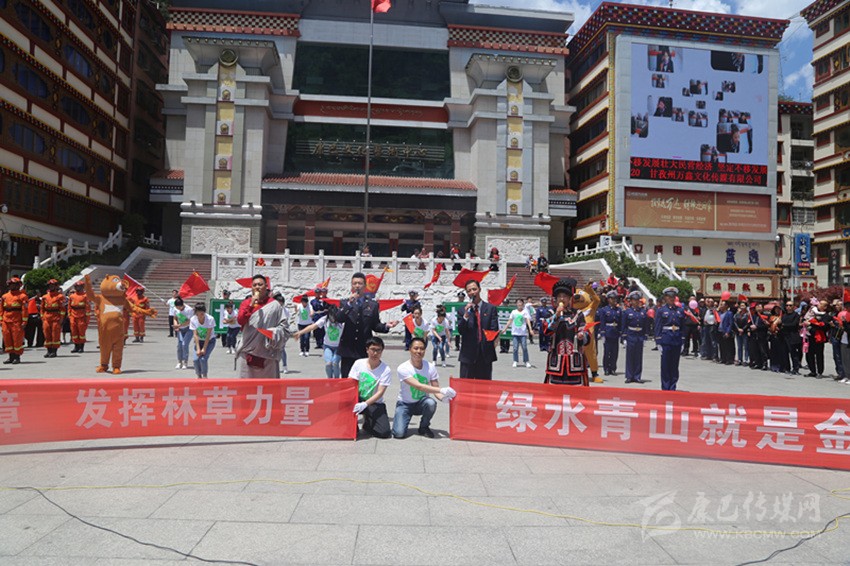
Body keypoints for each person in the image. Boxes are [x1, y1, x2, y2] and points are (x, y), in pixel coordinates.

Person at [392, 336, 456, 439]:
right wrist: (442, 390)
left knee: (431, 403)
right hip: (405, 404)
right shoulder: (403, 368)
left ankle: (424, 427)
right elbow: (419, 386)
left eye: (422, 348)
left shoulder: (430, 367)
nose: (419, 351)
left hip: (421, 402)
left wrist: (443, 398)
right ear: (410, 349)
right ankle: (402, 417)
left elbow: (436, 388)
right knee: (399, 434)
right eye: (416, 348)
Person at [338, 272, 398, 378]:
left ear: (365, 286)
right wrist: (349, 304)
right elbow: (339, 318)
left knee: (364, 378)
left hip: (364, 349)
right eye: (355, 283)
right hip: (348, 349)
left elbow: (375, 325)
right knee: (347, 379)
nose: (357, 286)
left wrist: (386, 326)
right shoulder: (345, 303)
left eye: (360, 283)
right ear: (351, 286)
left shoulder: (372, 305)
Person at [235, 275, 290, 378]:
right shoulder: (246, 303)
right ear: (251, 288)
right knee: (245, 385)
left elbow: (285, 327)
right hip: (248, 350)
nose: (257, 287)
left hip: (268, 351)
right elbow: (240, 320)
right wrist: (251, 305)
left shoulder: (275, 305)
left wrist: (274, 332)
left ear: (266, 286)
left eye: (260, 284)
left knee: (268, 386)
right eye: (254, 285)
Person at [543, 277, 590, 386]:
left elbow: (585, 330)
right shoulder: (550, 313)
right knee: (554, 391)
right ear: (555, 299)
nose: (562, 299)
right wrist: (556, 316)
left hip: (575, 361)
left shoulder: (577, 314)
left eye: (564, 296)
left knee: (576, 391)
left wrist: (582, 335)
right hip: (556, 360)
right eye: (559, 296)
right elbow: (546, 331)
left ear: (569, 299)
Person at [348, 336, 392, 438]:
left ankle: (368, 423)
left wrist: (365, 404)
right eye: (372, 349)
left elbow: (380, 392)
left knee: (384, 433)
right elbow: (351, 383)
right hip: (357, 398)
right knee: (345, 404)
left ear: (382, 351)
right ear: (367, 350)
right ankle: (353, 426)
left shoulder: (385, 369)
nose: (375, 353)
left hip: (374, 402)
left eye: (378, 350)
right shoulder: (359, 363)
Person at [457, 279, 499, 379]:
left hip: (484, 354)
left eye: (474, 289)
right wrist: (466, 316)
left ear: (479, 289)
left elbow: (494, 329)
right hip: (468, 354)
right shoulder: (462, 310)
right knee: (466, 385)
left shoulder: (490, 309)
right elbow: (461, 330)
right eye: (469, 290)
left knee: (483, 386)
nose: (472, 292)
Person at [295, 305, 344, 378]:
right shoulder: (325, 319)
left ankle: (336, 380)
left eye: (334, 317)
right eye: (331, 317)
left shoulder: (342, 321)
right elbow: (312, 326)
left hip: (339, 347)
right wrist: (300, 332)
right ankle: (330, 379)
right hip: (328, 346)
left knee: (335, 363)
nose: (333, 319)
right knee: (328, 364)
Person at [654, 287, 685, 391]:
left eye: (673, 297)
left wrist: (683, 341)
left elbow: (683, 327)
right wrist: (658, 341)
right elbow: (658, 326)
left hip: (676, 340)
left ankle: (673, 386)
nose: (671, 298)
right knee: (665, 365)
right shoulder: (661, 310)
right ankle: (665, 386)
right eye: (669, 296)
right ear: (665, 298)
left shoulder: (680, 310)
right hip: (666, 340)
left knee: (674, 365)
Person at [621, 291, 649, 383]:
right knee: (630, 357)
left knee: (638, 357)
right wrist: (624, 337)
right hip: (631, 335)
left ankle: (637, 376)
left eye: (637, 300)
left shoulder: (643, 312)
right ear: (631, 301)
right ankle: (629, 376)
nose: (636, 302)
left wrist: (645, 336)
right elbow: (624, 325)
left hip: (639, 336)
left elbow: (645, 325)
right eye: (634, 300)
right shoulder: (627, 312)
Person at [2, 277, 28, 364]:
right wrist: (1, 320)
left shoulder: (22, 296)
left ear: (18, 285)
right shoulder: (5, 296)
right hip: (6, 320)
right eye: (11, 284)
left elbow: (25, 310)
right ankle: (11, 357)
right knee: (7, 339)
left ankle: (17, 357)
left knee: (17, 339)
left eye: (14, 285)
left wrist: (24, 321)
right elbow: (1, 309)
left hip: (17, 321)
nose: (12, 286)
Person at [597, 290, 622, 376]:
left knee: (615, 352)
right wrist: (602, 333)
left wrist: (621, 333)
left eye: (615, 298)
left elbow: (620, 322)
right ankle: (606, 368)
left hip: (615, 332)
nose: (614, 300)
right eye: (612, 298)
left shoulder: (618, 310)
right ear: (608, 299)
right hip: (608, 332)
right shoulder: (604, 310)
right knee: (607, 352)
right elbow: (602, 322)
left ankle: (613, 368)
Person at [503, 298, 534, 368]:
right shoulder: (513, 312)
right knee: (515, 348)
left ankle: (526, 361)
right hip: (515, 333)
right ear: (516, 304)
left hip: (523, 333)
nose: (519, 304)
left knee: (524, 347)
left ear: (523, 304)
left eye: (520, 302)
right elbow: (510, 320)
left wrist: (530, 329)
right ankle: (515, 361)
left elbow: (527, 320)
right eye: (518, 303)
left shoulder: (525, 312)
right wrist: (505, 329)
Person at [189, 302, 216, 378]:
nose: (201, 316)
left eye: (202, 314)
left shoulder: (210, 319)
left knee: (203, 359)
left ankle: (205, 376)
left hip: (209, 341)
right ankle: (198, 375)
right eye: (199, 314)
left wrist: (204, 348)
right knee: (196, 359)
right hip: (199, 341)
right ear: (196, 313)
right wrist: (198, 349)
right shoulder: (193, 319)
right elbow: (195, 335)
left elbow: (208, 335)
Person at [40, 279, 65, 358]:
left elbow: (62, 309)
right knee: (47, 334)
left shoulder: (60, 297)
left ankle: (54, 351)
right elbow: (42, 308)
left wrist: (61, 318)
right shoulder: (45, 297)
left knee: (55, 335)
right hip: (47, 318)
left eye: (53, 285)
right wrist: (42, 317)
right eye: (50, 285)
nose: (51, 287)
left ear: (56, 286)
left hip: (56, 318)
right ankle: (48, 351)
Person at [804, 299, 829, 377]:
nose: (819, 305)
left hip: (819, 338)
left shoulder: (826, 316)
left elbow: (824, 327)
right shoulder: (813, 313)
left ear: (825, 307)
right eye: (819, 303)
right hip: (810, 337)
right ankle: (812, 371)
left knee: (819, 355)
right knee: (809, 354)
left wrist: (811, 325)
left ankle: (820, 372)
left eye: (821, 304)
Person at [272, 288, 291, 374]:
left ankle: (285, 366)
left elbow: (285, 321)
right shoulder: (273, 309)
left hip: (282, 331)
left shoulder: (285, 310)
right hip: (274, 330)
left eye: (280, 303)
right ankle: (273, 366)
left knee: (282, 349)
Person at [68, 280, 90, 353]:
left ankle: (81, 347)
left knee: (81, 332)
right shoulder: (72, 296)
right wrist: (69, 315)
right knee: (74, 332)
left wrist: (87, 318)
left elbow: (87, 307)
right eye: (76, 286)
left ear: (82, 287)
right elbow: (69, 307)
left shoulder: (85, 296)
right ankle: (76, 346)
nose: (78, 288)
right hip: (73, 316)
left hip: (82, 316)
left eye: (79, 286)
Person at [172, 298, 194, 369]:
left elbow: (189, 321)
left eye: (179, 307)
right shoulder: (175, 309)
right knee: (179, 345)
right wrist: (176, 325)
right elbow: (175, 318)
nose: (178, 309)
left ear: (182, 305)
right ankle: (179, 361)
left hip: (189, 329)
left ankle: (185, 362)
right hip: (180, 329)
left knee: (185, 344)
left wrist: (179, 325)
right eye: (177, 307)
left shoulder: (189, 310)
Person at [781, 301, 802, 375]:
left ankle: (795, 369)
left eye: (790, 305)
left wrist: (783, 325)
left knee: (793, 353)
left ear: (793, 307)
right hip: (784, 336)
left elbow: (794, 325)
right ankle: (787, 368)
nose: (788, 307)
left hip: (793, 336)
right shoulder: (784, 315)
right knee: (785, 353)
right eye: (787, 305)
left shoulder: (796, 315)